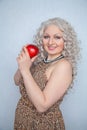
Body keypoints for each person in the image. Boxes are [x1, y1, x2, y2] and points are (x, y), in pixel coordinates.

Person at [14, 17, 80, 130]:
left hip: (43, 124)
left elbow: (42, 106)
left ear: (66, 41)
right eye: (46, 37)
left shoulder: (64, 66)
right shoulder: (39, 60)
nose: (50, 42)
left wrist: (25, 70)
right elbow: (16, 81)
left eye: (57, 37)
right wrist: (23, 64)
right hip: (23, 119)